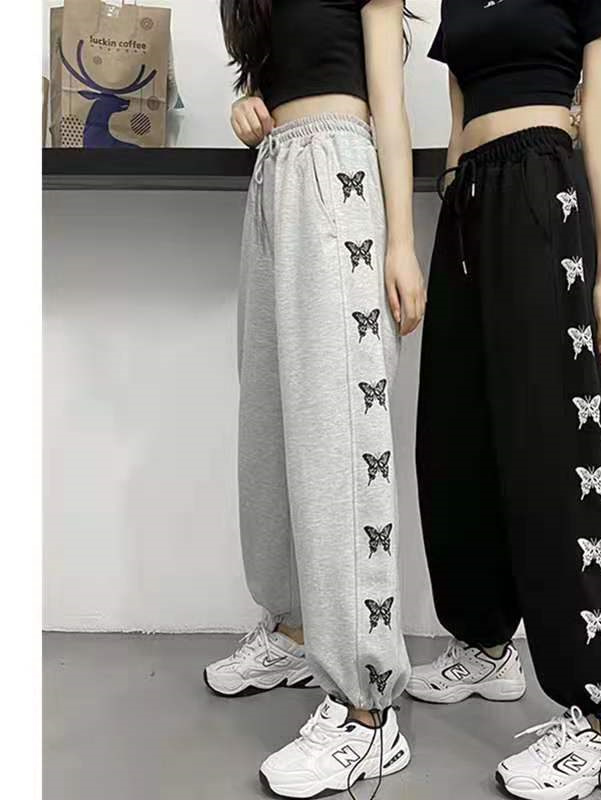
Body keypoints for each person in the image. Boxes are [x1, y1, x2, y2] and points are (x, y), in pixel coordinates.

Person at [410, 1, 601, 798]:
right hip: (466, 205)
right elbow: (457, 116)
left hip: (545, 188)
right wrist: (453, 210)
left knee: (552, 446)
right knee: (456, 435)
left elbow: (600, 113)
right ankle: (485, 644)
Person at [205, 2, 425, 797]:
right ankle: (297, 631)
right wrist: (248, 108)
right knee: (270, 424)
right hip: (274, 179)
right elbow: (284, 72)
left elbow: (387, 103)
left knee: (339, 435)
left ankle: (368, 711)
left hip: (340, 175)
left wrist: (401, 242)